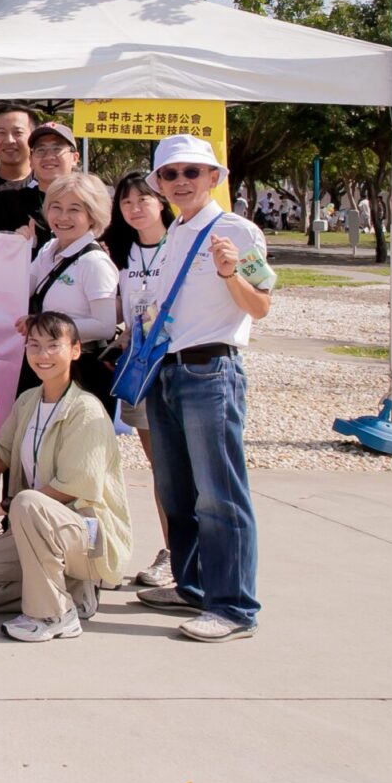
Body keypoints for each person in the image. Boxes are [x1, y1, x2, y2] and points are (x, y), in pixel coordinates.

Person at [133, 135, 274, 642]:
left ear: (215, 177)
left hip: (211, 370)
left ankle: (234, 606)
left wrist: (230, 273)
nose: (181, 182)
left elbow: (259, 305)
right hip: (167, 370)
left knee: (220, 495)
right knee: (178, 491)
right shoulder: (176, 233)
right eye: (170, 175)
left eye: (193, 172)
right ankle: (193, 586)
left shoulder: (237, 229)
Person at [0, 311, 132, 641]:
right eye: (34, 345)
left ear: (75, 350)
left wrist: (3, 506)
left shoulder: (86, 409)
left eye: (52, 345)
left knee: (30, 502)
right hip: (33, 525)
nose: (42, 355)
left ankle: (53, 614)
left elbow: (75, 486)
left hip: (86, 533)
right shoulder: (27, 400)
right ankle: (69, 595)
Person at [108, 169, 176, 589]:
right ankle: (173, 550)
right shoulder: (120, 252)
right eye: (127, 202)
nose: (135, 208)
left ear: (162, 202)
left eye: (144, 199)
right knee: (161, 468)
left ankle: (191, 552)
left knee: (186, 466)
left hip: (181, 365)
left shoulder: (183, 244)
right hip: (141, 368)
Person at [16, 172, 119, 404]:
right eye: (56, 207)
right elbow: (21, 289)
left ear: (92, 216)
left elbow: (105, 326)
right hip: (45, 365)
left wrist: (44, 327)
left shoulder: (95, 262)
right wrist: (18, 249)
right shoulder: (48, 250)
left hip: (81, 369)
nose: (63, 217)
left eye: (74, 209)